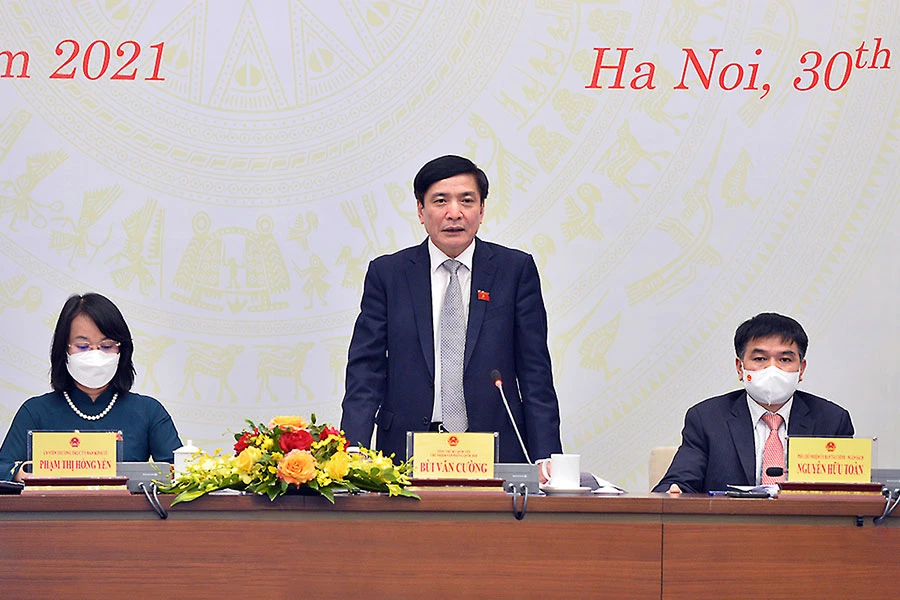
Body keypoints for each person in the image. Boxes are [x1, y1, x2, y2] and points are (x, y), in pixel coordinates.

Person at [340, 155, 562, 466]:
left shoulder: (514, 270)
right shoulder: (388, 274)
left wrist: (546, 457)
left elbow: (535, 372)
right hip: (405, 449)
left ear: (481, 210)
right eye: (440, 201)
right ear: (421, 210)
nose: (454, 213)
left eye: (467, 201)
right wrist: (353, 448)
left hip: (496, 447)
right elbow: (366, 369)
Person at [653, 312, 853, 494]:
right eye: (760, 359)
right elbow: (679, 482)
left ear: (801, 369)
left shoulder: (832, 421)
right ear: (740, 368)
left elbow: (850, 493)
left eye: (784, 360)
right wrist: (674, 491)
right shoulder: (707, 419)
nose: (772, 369)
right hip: (731, 522)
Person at [0, 293, 182, 481]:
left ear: (122, 351)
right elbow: (3, 469)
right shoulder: (35, 412)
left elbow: (181, 475)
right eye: (82, 346)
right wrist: (19, 475)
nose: (95, 354)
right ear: (64, 350)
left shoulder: (149, 412)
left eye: (107, 346)